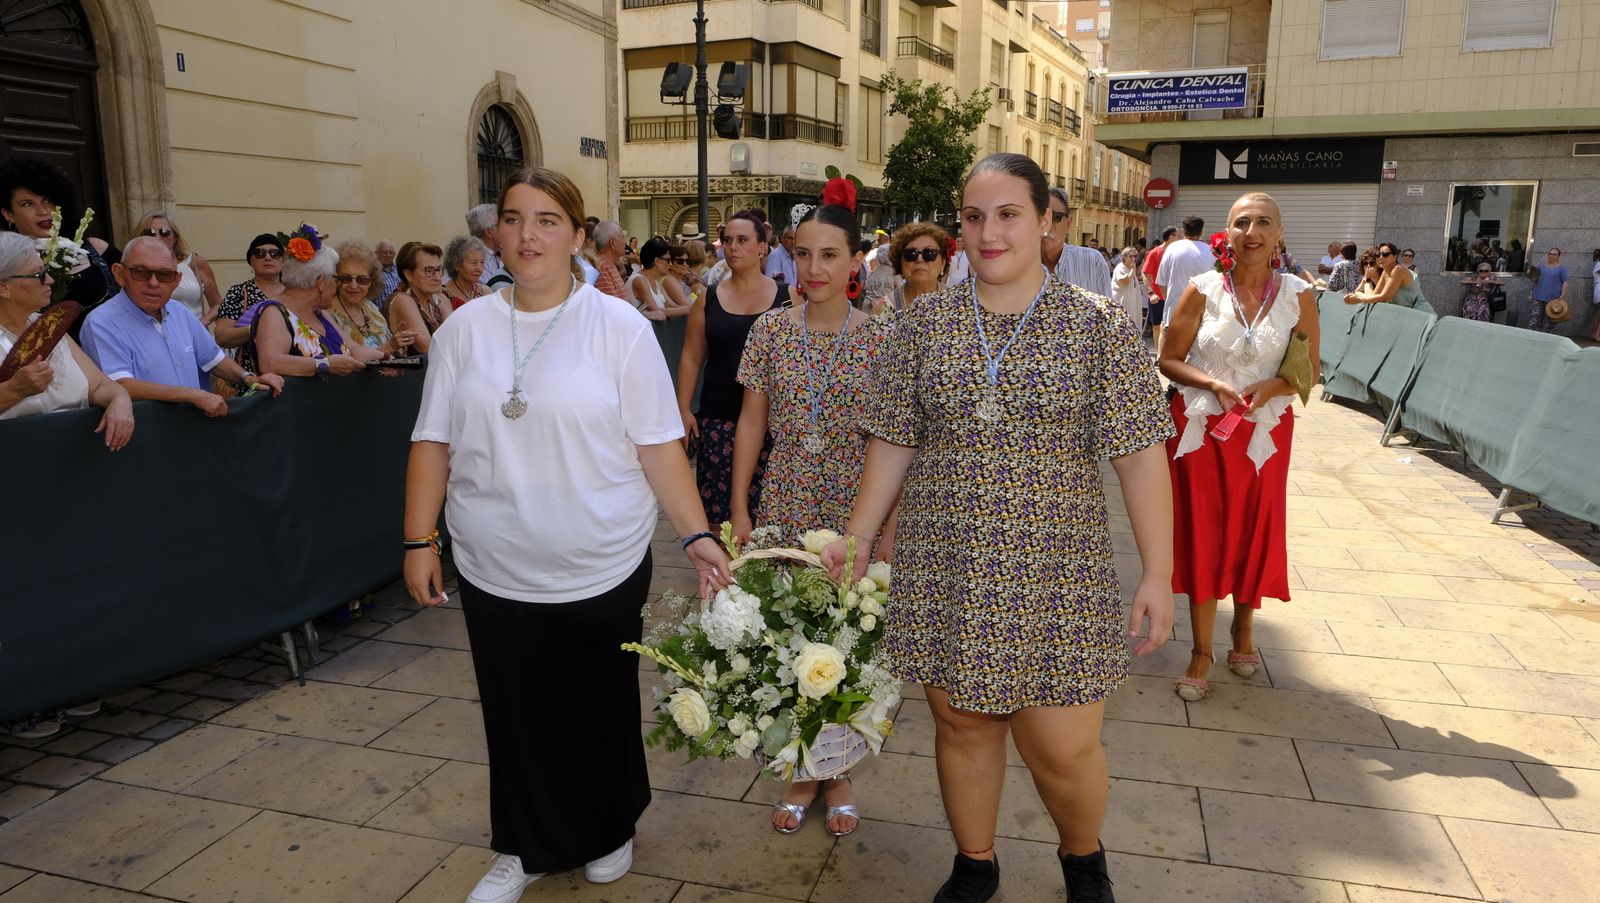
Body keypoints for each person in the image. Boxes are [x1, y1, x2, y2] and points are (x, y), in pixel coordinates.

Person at [820, 153, 1175, 903]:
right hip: (948, 560)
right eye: (974, 216)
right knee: (963, 727)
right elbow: (892, 439)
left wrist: (1156, 573)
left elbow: (1141, 458)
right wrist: (857, 535)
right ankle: (974, 863)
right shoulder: (922, 325)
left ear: (1046, 220)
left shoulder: (1097, 326)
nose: (989, 232)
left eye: (1008, 213)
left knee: (1063, 746)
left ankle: (1084, 857)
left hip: (1057, 571)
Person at [403, 166, 732, 903]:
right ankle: (523, 846)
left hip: (601, 560)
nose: (529, 235)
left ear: (577, 236)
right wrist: (417, 539)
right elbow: (432, 440)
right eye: (515, 219)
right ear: (496, 236)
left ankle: (610, 826)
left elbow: (656, 446)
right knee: (515, 709)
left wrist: (697, 536)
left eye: (548, 220)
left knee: (597, 704)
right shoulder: (463, 330)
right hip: (494, 563)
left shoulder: (617, 325)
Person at [730, 197, 888, 839]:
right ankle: (803, 768)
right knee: (786, 638)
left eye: (829, 255)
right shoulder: (770, 330)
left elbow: (894, 439)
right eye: (803, 254)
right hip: (785, 503)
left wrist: (884, 529)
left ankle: (838, 771)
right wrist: (739, 506)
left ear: (855, 260)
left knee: (847, 640)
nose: (814, 268)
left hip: (855, 507)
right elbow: (751, 421)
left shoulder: (882, 336)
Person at [1159, 191, 1320, 706]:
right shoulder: (1201, 289)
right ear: (1226, 234)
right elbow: (1168, 359)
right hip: (1202, 427)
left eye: (1263, 222)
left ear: (1279, 234)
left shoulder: (1300, 294)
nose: (1252, 230)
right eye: (1241, 222)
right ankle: (1201, 651)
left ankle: (1244, 633)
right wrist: (1214, 385)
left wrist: (1266, 390)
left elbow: (1307, 370)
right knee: (1205, 531)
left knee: (1255, 526)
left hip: (1264, 431)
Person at [0, 231, 134, 739]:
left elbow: (98, 383)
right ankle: (22, 698)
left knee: (69, 583)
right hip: (15, 493)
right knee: (20, 591)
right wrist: (10, 390)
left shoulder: (47, 329)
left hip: (68, 487)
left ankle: (68, 678)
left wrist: (118, 400)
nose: (48, 280)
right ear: (4, 287)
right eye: (37, 275)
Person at [80, 237, 284, 416]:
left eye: (164, 275)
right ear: (119, 274)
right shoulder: (101, 323)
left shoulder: (179, 311)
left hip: (191, 430)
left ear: (176, 281)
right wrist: (192, 395)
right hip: (143, 436)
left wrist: (248, 379)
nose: (153, 283)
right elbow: (120, 385)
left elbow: (214, 359)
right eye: (141, 272)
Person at [675, 210, 786, 527]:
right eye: (727, 241)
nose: (733, 247)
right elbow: (692, 356)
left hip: (774, 425)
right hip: (719, 420)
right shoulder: (709, 298)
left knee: (768, 518)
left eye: (742, 240)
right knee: (719, 521)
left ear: (762, 246)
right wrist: (683, 408)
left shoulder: (787, 297)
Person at [0, 157, 121, 334]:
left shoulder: (96, 249)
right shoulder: (5, 263)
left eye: (48, 200)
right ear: (8, 213)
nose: (43, 211)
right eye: (27, 204)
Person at [252, 227, 378, 378]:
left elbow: (354, 349)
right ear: (321, 282)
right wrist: (325, 364)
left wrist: (387, 357)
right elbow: (270, 363)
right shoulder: (274, 312)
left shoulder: (320, 312)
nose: (337, 286)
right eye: (336, 279)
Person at [130, 212, 221, 325]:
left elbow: (218, 304)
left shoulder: (195, 263)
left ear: (175, 238)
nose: (158, 237)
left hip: (194, 337)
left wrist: (201, 324)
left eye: (165, 232)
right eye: (150, 233)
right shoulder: (135, 269)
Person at [216, 234, 286, 375]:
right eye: (259, 253)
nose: (268, 257)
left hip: (292, 374)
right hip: (252, 377)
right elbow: (222, 336)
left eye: (275, 254)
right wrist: (256, 329)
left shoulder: (295, 292)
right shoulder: (239, 292)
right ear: (251, 261)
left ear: (283, 260)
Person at [329, 240, 414, 354]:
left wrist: (398, 348)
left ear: (372, 282)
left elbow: (390, 347)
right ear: (335, 278)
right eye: (345, 278)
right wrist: (389, 347)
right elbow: (349, 358)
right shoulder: (327, 313)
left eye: (362, 280)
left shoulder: (371, 309)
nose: (353, 286)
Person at [1042, 188, 1112, 297]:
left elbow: (1107, 312)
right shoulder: (1014, 267)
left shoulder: (1092, 262)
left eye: (1055, 217)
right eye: (1040, 217)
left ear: (1068, 224)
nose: (1046, 225)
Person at [386, 241, 453, 353]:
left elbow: (458, 334)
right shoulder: (402, 299)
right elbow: (427, 347)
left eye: (439, 269)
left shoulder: (439, 297)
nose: (437, 277)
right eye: (429, 271)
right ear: (408, 274)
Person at [1155, 216, 1213, 345]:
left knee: (1171, 355)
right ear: (1202, 231)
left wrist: (1169, 301)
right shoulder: (1211, 251)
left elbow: (1161, 281)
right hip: (1201, 314)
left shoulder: (1172, 248)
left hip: (1174, 311)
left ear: (1183, 231)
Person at [885, 222, 950, 314]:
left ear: (943, 263)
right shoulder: (883, 309)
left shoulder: (959, 303)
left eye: (929, 253)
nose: (920, 259)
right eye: (911, 253)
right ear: (900, 263)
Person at [1347, 242, 1428, 311]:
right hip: (1408, 314)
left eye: (1385, 254)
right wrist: (1366, 282)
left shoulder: (1398, 269)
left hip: (1421, 314)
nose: (1381, 257)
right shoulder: (1386, 271)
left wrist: (1358, 299)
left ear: (1395, 256)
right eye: (1378, 255)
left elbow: (1384, 298)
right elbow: (1373, 296)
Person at [627, 236, 692, 322]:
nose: (670, 264)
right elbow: (656, 311)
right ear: (657, 261)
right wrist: (688, 309)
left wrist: (690, 308)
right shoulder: (639, 280)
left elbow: (671, 306)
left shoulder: (656, 281)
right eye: (668, 260)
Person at [1142, 226, 1178, 344]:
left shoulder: (1178, 253)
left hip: (1174, 297)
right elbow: (1145, 273)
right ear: (1171, 237)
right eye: (1178, 236)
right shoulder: (1155, 253)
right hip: (1157, 297)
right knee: (1157, 327)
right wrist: (1151, 292)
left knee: (1173, 328)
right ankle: (1159, 356)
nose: (1180, 239)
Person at [465, 203, 510, 288]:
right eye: (501, 224)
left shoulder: (504, 254)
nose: (507, 229)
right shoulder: (466, 259)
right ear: (489, 232)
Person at [443, 236, 493, 309]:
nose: (480, 269)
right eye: (473, 262)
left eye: (482, 262)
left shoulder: (485, 292)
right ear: (456, 264)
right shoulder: (444, 296)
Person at [1527, 247, 1568, 333]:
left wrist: (1562, 294)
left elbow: (1565, 282)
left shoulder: (1562, 268)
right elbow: (1534, 280)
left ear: (1558, 256)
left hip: (1552, 300)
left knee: (1548, 322)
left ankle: (1545, 340)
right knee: (1534, 319)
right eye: (1549, 254)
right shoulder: (1541, 266)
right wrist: (1531, 294)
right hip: (1538, 297)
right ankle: (1531, 337)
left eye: (1554, 254)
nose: (1551, 256)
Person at [1111, 246, 1146, 329]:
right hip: (1123, 303)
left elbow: (1133, 282)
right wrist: (1133, 269)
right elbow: (1125, 281)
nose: (1133, 258)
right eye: (1131, 256)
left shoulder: (1129, 268)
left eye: (1135, 256)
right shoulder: (1120, 268)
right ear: (1124, 257)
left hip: (1132, 302)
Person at [592, 221, 629, 300]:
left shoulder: (609, 264)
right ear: (612, 243)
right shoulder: (602, 268)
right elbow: (612, 308)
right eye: (622, 237)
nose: (625, 242)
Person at [375, 240, 401, 307]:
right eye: (384, 252)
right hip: (381, 315)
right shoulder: (372, 272)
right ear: (376, 253)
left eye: (391, 252)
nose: (388, 255)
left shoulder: (400, 270)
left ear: (394, 254)